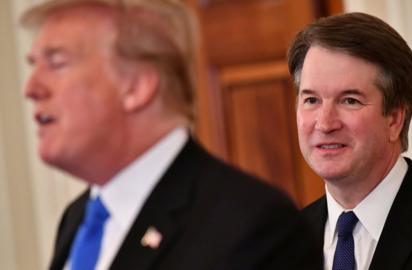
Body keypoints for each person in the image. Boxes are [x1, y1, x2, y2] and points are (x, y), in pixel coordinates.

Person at [20, 1, 320, 269]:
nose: (31, 88)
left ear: (137, 86)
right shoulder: (79, 218)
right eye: (34, 65)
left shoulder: (253, 226)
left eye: (57, 63)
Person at [287, 12, 412, 270]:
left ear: (394, 119)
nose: (324, 123)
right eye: (311, 100)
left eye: (350, 100)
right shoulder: (286, 244)